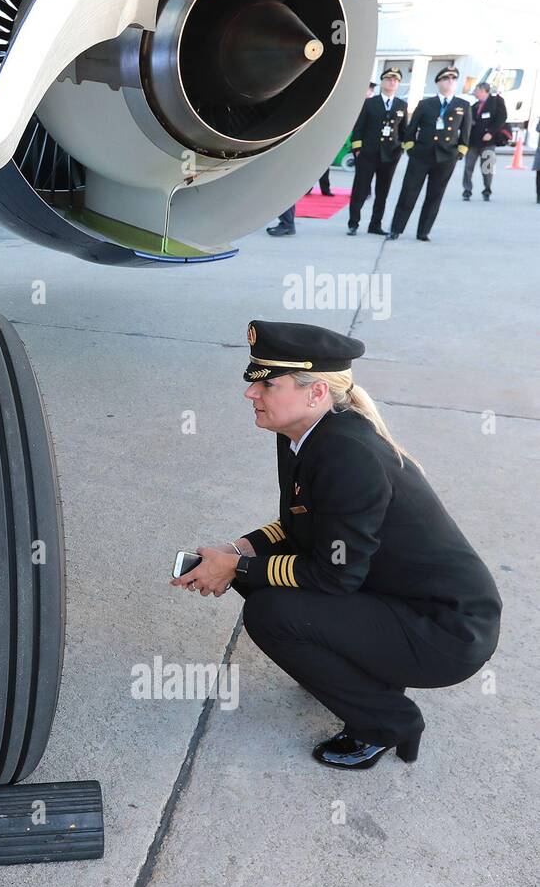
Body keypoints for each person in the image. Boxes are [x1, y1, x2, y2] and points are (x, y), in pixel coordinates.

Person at [171, 320, 501, 769]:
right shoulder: (304, 435)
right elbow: (302, 522)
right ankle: (353, 670)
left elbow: (335, 572)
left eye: (268, 384)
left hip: (444, 630)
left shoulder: (347, 454)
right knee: (265, 583)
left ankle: (386, 723)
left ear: (316, 392)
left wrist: (235, 569)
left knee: (270, 612)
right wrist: (237, 551)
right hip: (397, 598)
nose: (252, 394)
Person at [389, 66, 472, 241]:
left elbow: (465, 133)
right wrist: (410, 148)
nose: (450, 81)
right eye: (446, 78)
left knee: (435, 195)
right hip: (421, 155)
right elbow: (411, 129)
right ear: (438, 83)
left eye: (453, 79)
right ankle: (396, 228)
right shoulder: (425, 104)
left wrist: (460, 152)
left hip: (446, 157)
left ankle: (423, 232)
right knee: (409, 192)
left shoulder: (463, 105)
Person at [346, 68, 408, 236]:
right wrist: (357, 149)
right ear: (382, 82)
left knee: (382, 192)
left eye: (395, 80)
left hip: (390, 156)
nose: (392, 82)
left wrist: (400, 149)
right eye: (388, 79)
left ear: (398, 84)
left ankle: (375, 224)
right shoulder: (369, 103)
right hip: (368, 154)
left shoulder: (402, 105)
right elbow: (358, 129)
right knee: (360, 190)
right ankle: (353, 223)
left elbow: (404, 131)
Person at [462, 81, 508, 201]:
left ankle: (487, 189)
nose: (474, 93)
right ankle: (467, 190)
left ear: (483, 90)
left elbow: (502, 118)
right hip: (473, 142)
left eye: (476, 91)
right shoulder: (475, 106)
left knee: (487, 168)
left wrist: (491, 132)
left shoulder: (496, 101)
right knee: (468, 167)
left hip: (488, 142)